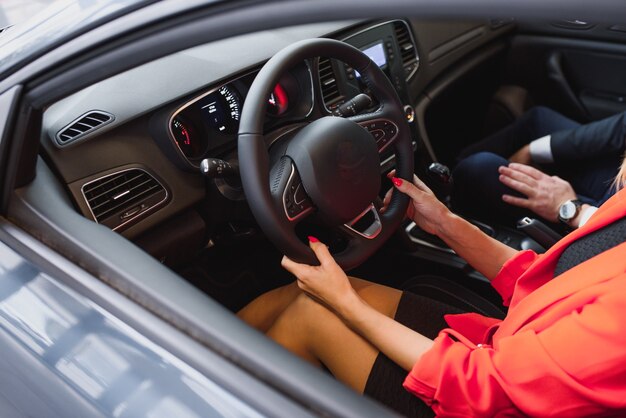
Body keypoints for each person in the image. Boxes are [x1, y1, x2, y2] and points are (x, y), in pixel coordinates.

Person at [238, 166, 626, 417]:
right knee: (299, 293)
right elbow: (546, 281)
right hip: (508, 349)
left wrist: (345, 303)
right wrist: (445, 223)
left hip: (491, 396)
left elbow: (483, 387)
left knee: (308, 317)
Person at [452, 106, 626, 229]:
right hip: (619, 177)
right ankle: (452, 175)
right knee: (537, 120)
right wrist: (532, 150)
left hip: (610, 222)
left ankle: (451, 199)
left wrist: (574, 211)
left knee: (479, 167)